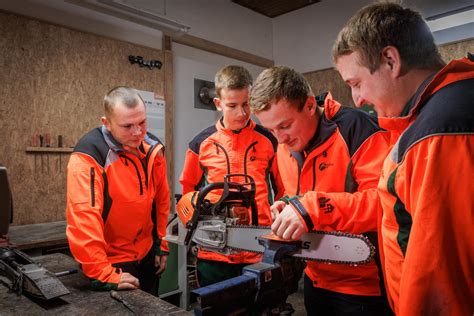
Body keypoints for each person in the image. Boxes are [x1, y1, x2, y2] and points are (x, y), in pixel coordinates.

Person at [331, 3, 474, 315]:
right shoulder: (448, 108)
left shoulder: (437, 133)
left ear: (390, 60)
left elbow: (439, 282)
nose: (357, 99)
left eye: (356, 84)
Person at [250, 66, 392, 315]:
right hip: (315, 279)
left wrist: (313, 207)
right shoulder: (285, 147)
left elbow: (384, 204)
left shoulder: (356, 129)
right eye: (271, 131)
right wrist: (288, 205)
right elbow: (298, 194)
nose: (280, 139)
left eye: (285, 126)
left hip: (364, 288)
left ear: (307, 105)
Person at [180, 65, 284, 286]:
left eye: (246, 104)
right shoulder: (201, 144)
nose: (242, 113)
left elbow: (285, 190)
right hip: (213, 250)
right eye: (232, 106)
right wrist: (196, 219)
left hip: (259, 246)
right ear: (218, 104)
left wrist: (282, 216)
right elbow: (187, 191)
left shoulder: (270, 140)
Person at [66, 86, 170, 295]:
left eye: (142, 122)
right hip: (113, 262)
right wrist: (101, 273)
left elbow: (161, 200)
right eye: (127, 126)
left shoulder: (153, 149)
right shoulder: (89, 155)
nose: (138, 132)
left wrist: (161, 244)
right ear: (107, 123)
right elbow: (84, 218)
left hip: (147, 255)